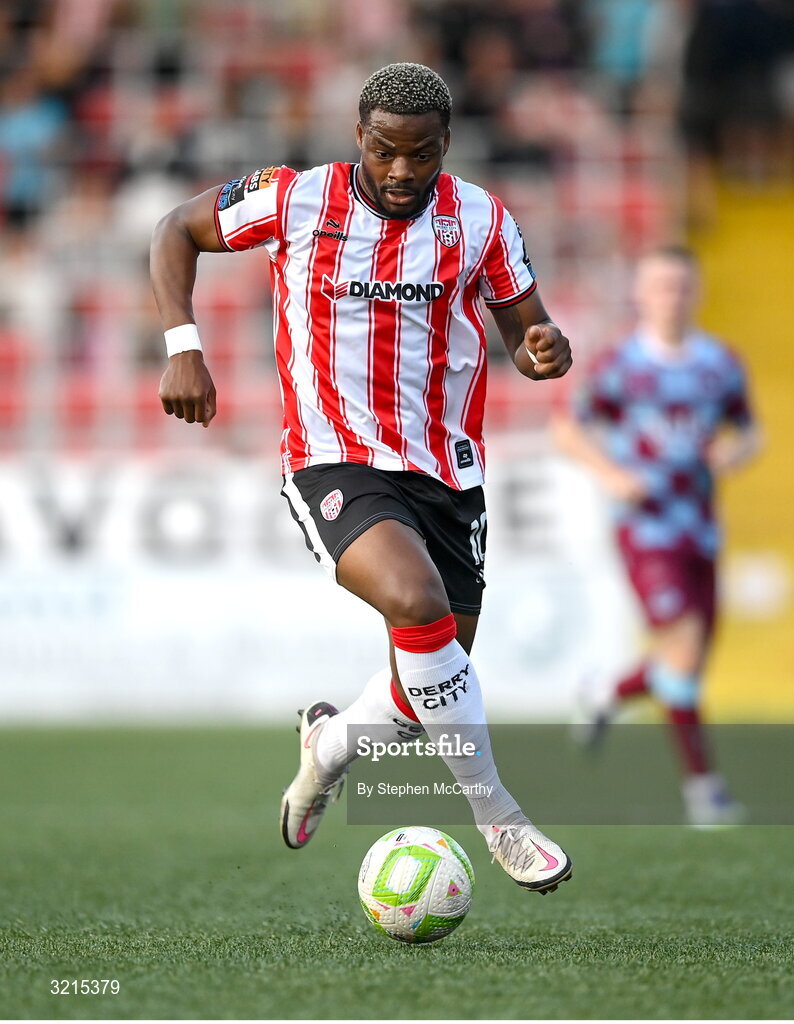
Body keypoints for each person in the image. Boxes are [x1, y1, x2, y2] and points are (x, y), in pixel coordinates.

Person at [150, 63, 573, 892]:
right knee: (417, 606)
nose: (401, 171)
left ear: (445, 146)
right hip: (333, 455)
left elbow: (529, 330)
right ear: (358, 139)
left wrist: (544, 349)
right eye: (384, 152)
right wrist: (182, 348)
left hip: (448, 470)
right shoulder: (294, 197)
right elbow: (174, 227)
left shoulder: (481, 219)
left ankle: (328, 746)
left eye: (420, 155)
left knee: (430, 684)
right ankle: (500, 819)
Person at [555, 245, 760, 828]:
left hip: (700, 528)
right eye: (660, 286)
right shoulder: (620, 364)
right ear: (641, 294)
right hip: (646, 528)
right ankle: (705, 792)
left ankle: (606, 693)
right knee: (684, 645)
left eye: (680, 286)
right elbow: (567, 429)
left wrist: (733, 451)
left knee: (684, 665)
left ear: (695, 292)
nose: (671, 296)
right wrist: (612, 475)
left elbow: (750, 431)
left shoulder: (719, 363)